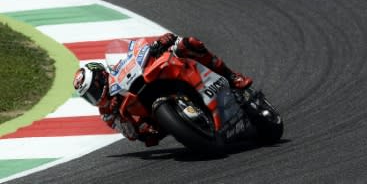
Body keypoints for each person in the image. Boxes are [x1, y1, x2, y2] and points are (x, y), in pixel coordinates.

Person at [72, 32, 252, 147]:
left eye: (92, 91)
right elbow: (131, 135)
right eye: (88, 97)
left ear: (100, 78)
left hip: (155, 78)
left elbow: (137, 52)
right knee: (147, 135)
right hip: (156, 122)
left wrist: (159, 43)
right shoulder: (106, 112)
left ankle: (231, 76)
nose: (93, 97)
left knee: (188, 43)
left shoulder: (117, 69)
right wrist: (134, 125)